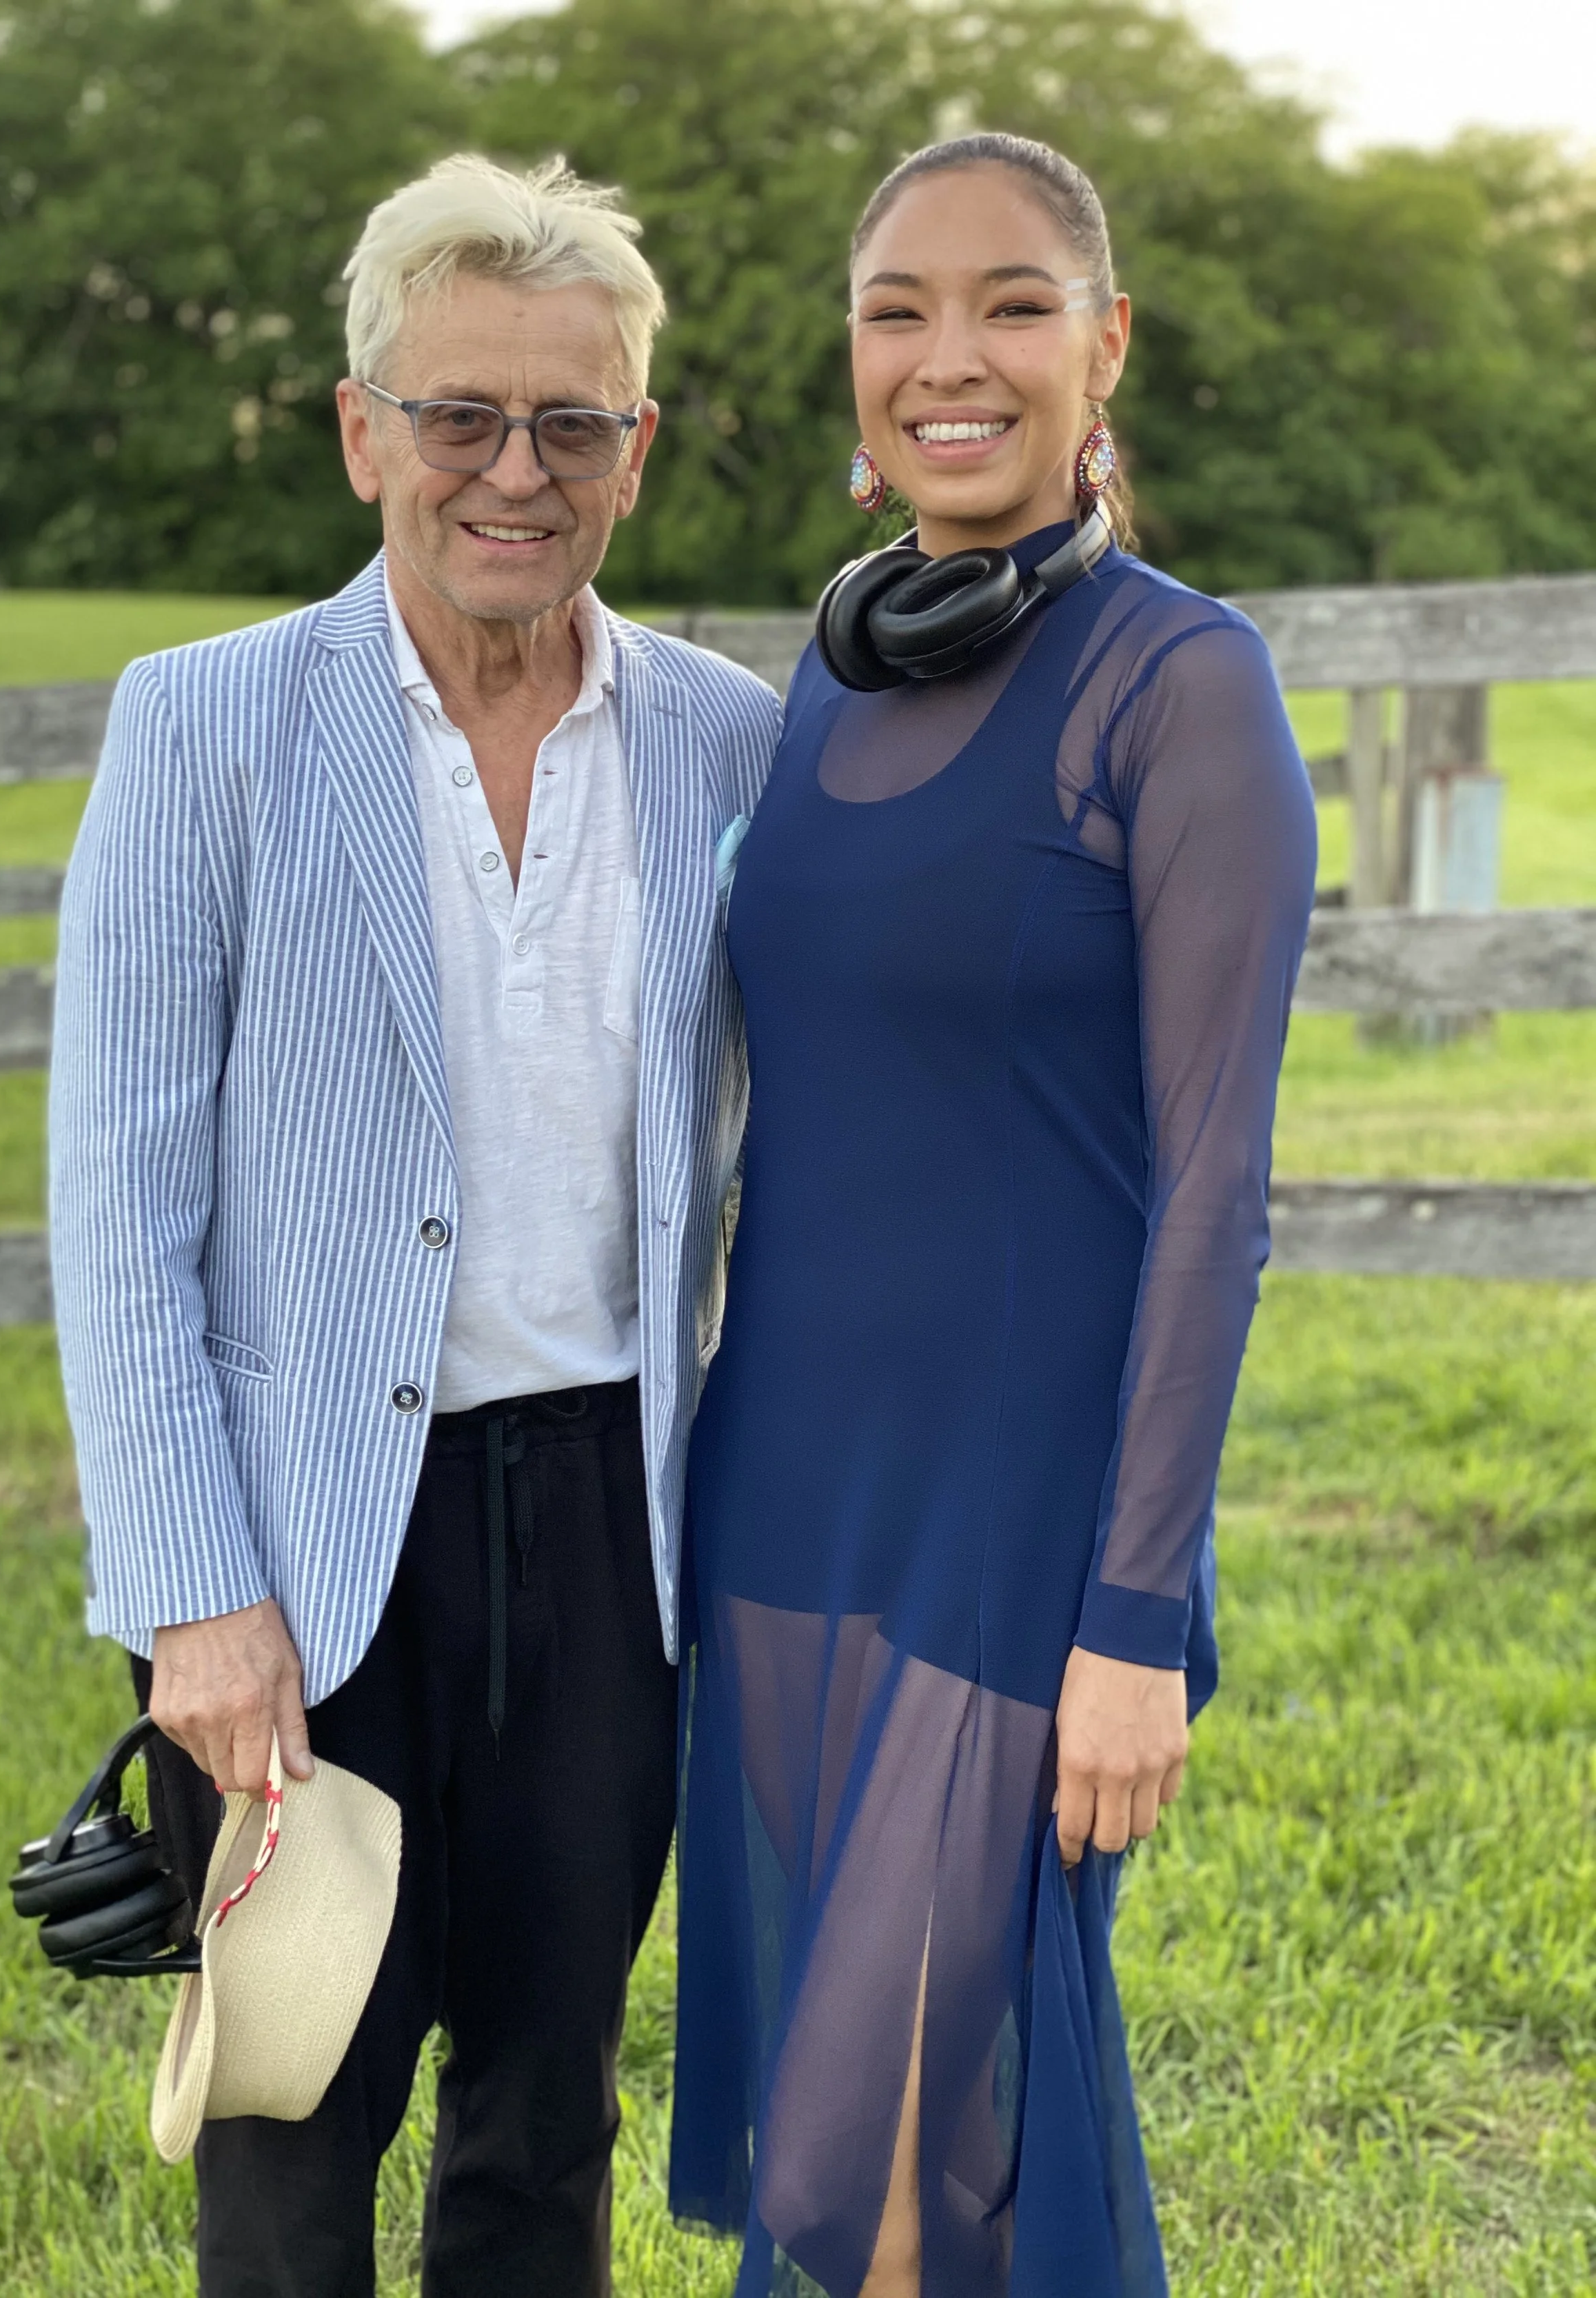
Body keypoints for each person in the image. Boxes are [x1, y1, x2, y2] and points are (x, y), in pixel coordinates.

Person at [49, 154, 780, 2297]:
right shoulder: (205, 724)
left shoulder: (730, 740)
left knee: (547, 2119)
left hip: (611, 1523)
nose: (512, 472)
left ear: (633, 450)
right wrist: (198, 1593)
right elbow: (116, 1202)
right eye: (460, 413)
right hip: (300, 1543)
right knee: (294, 2111)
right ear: (363, 424)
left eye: (571, 423)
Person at [669, 132, 1317, 2298]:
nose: (950, 356)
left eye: (1014, 300)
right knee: (834, 2161)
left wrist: (1132, 1618)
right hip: (783, 1506)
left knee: (896, 2177)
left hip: (1023, 1537)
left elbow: (1212, 1193)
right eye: (897, 309)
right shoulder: (827, 675)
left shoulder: (1179, 686)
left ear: (1102, 342)